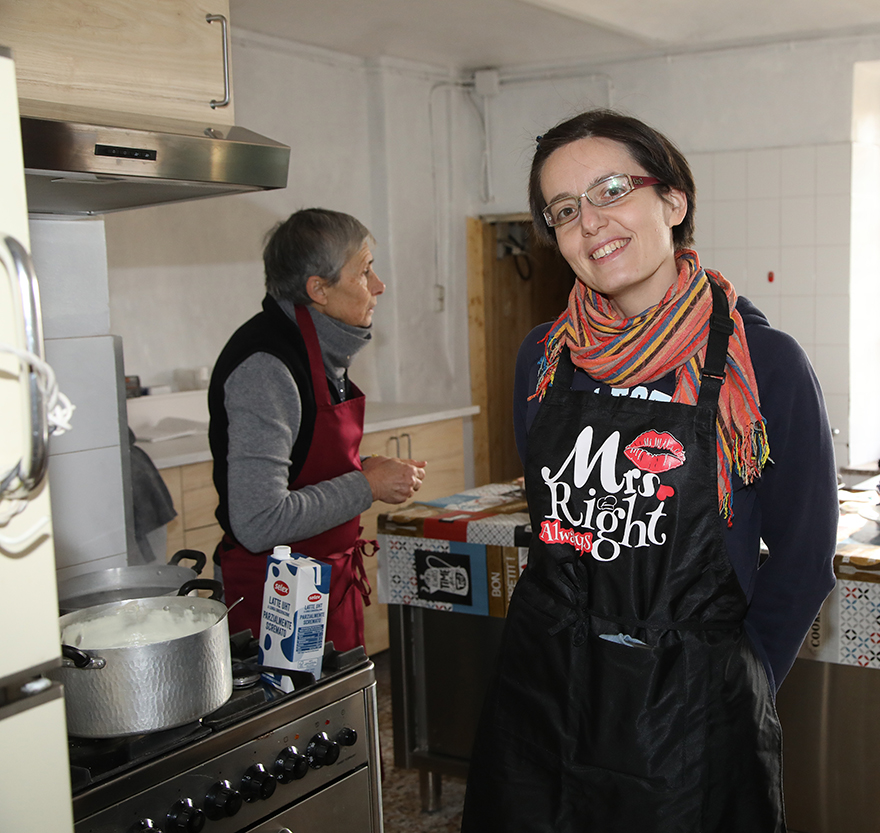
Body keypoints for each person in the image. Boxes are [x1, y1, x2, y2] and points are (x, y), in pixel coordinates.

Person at [461, 110, 839, 832]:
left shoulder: (764, 366)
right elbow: (550, 523)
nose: (591, 221)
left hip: (691, 713)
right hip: (545, 696)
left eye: (611, 189)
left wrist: (735, 682)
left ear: (673, 199)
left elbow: (803, 559)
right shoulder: (543, 360)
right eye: (565, 209)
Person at [208, 208, 426, 652]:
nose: (379, 285)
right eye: (364, 272)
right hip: (277, 600)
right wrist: (366, 484)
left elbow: (299, 468)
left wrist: (366, 468)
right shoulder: (266, 367)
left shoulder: (320, 354)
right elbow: (258, 520)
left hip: (325, 584)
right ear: (318, 290)